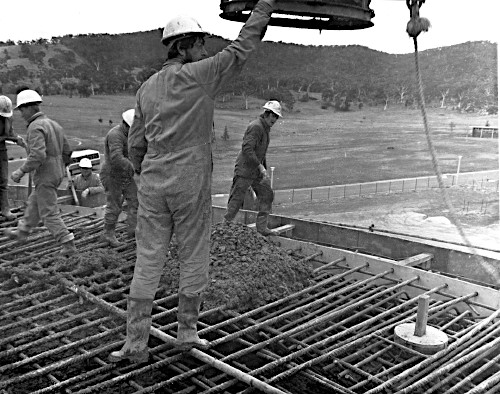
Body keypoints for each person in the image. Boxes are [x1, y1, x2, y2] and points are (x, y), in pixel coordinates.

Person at [109, 0, 276, 363]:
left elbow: (136, 143)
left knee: (148, 259)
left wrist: (147, 171)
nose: (205, 49)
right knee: (194, 254)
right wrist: (264, 5)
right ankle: (187, 332)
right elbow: (244, 44)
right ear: (183, 46)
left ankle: (135, 343)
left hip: (153, 185)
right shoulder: (200, 74)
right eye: (200, 44)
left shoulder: (147, 88)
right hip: (190, 184)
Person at [4, 89, 76, 257]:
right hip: (57, 171)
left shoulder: (35, 127)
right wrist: (59, 167)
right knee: (35, 202)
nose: (21, 114)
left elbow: (38, 155)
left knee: (48, 213)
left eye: (21, 109)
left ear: (30, 108)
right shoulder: (54, 124)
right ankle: (22, 232)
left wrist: (20, 171)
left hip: (46, 174)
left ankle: (67, 242)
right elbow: (67, 151)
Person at [224, 100, 282, 235]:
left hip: (256, 171)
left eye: (277, 117)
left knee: (267, 194)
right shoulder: (256, 127)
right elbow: (247, 149)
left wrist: (263, 171)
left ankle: (262, 228)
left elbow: (261, 153)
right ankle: (224, 228)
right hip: (245, 170)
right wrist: (261, 168)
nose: (275, 120)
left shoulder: (266, 129)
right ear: (267, 114)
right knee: (237, 199)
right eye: (273, 116)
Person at [100, 109, 138, 247]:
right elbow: (116, 158)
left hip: (125, 174)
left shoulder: (131, 135)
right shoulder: (115, 135)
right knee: (115, 205)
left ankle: (133, 232)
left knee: (136, 201)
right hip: (112, 175)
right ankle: (108, 234)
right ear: (126, 125)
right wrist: (134, 168)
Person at [0, 95, 26, 220]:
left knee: (3, 181)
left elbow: (10, 133)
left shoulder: (8, 118)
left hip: (1, 151)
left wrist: (18, 139)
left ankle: (5, 209)